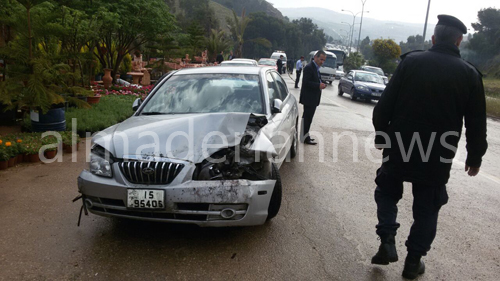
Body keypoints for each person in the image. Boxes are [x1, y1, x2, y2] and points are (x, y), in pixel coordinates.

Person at [371, 15, 487, 280]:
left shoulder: (410, 62)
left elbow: (383, 107)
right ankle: (413, 263)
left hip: (399, 146)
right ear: (459, 41)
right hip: (438, 154)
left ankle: (387, 241)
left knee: (387, 190)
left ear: (433, 38)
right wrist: (475, 157)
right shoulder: (469, 75)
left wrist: (382, 136)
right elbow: (476, 123)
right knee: (427, 206)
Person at [299, 51, 327, 145]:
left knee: (308, 119)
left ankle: (305, 136)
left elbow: (316, 79)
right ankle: (305, 137)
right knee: (307, 118)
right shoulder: (309, 68)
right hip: (309, 98)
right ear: (315, 57)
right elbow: (306, 82)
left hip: (313, 98)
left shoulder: (316, 68)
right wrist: (318, 85)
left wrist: (321, 83)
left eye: (324, 60)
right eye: (321, 59)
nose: (322, 62)